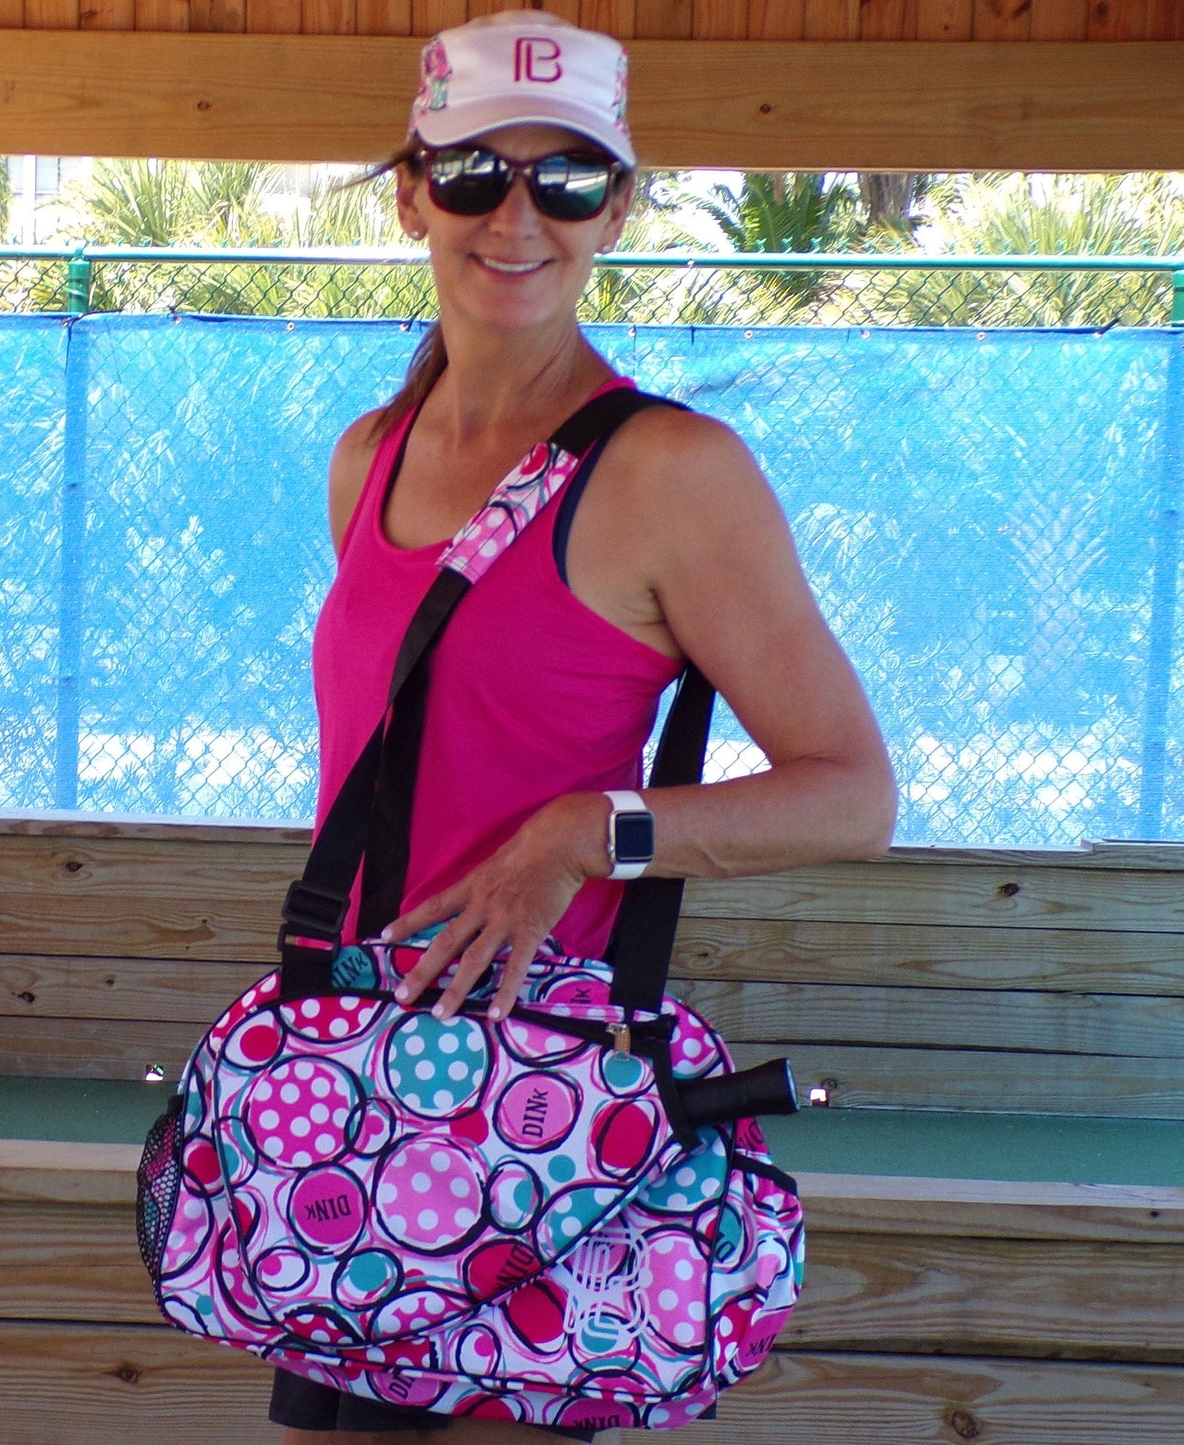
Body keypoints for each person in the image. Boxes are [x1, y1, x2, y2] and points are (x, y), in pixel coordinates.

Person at [273, 11, 897, 1443]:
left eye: (565, 181)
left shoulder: (670, 469)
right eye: (477, 171)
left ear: (616, 206)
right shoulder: (371, 456)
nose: (517, 217)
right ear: (410, 189)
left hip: (543, 1102)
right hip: (358, 1083)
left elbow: (851, 793)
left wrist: (584, 833)